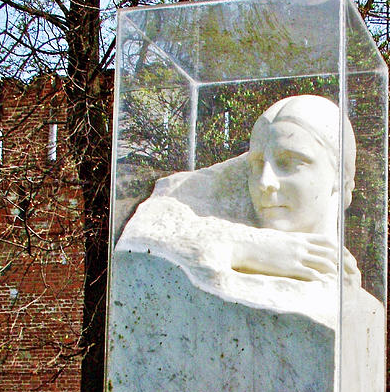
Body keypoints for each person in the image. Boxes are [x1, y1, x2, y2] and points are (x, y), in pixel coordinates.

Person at [116, 94, 363, 326]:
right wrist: (248, 248)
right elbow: (140, 241)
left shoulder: (350, 301)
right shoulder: (211, 206)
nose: (265, 182)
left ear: (339, 175)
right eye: (256, 165)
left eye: (289, 163)